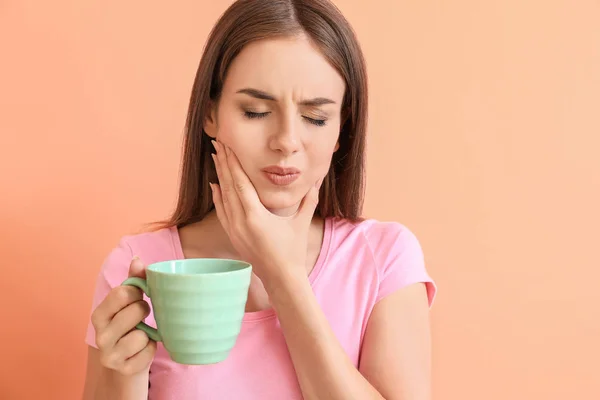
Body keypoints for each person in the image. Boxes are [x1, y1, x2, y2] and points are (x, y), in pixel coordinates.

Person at [82, 0, 437, 399]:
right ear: (210, 114)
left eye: (316, 118)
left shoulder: (383, 258)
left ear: (341, 130)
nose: (286, 141)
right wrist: (123, 376)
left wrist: (283, 276)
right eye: (255, 111)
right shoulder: (142, 269)